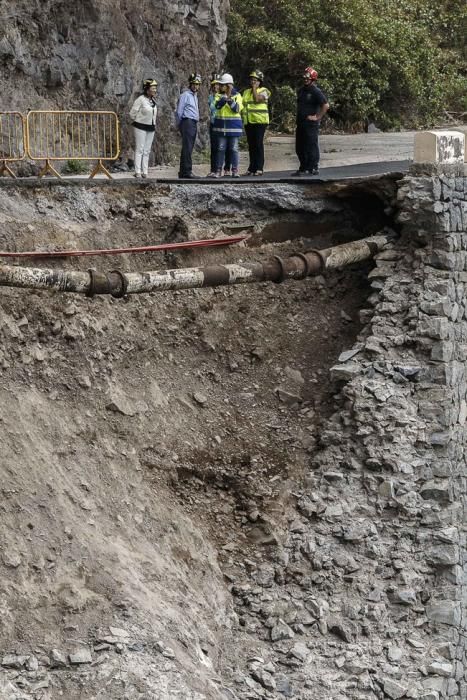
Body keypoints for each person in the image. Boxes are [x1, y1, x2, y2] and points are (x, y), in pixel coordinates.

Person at [293, 67, 329, 176]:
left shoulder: (315, 91)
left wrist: (317, 117)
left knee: (311, 145)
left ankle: (313, 167)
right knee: (300, 146)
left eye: (308, 78)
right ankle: (303, 167)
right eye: (304, 78)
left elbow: (326, 105)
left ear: (313, 79)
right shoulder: (301, 91)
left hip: (311, 124)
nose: (305, 80)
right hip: (301, 123)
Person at [210, 73, 243, 178]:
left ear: (229, 85)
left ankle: (235, 170)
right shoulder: (218, 96)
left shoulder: (237, 95)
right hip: (221, 128)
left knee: (234, 149)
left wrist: (229, 99)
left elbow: (237, 109)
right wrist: (224, 99)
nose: (220, 86)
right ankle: (218, 170)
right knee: (220, 148)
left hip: (233, 128)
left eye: (223, 85)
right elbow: (217, 106)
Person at [241, 70, 271, 176]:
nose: (253, 82)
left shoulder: (265, 91)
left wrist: (254, 89)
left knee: (258, 144)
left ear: (260, 82)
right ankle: (251, 168)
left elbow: (257, 99)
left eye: (255, 80)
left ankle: (259, 168)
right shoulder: (245, 92)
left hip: (259, 121)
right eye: (251, 80)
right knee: (251, 145)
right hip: (249, 121)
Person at [129, 79, 158, 178]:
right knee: (140, 149)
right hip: (140, 126)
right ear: (147, 89)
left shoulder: (153, 100)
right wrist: (138, 120)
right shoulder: (140, 99)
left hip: (151, 127)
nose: (155, 90)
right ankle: (138, 171)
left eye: (155, 88)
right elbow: (132, 113)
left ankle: (145, 171)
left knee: (147, 150)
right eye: (152, 88)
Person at [175, 73, 202, 179]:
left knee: (188, 147)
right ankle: (187, 171)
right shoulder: (185, 95)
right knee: (187, 147)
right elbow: (179, 111)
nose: (196, 86)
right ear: (190, 84)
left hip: (193, 122)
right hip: (187, 122)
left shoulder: (195, 96)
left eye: (198, 84)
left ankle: (183, 172)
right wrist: (180, 124)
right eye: (194, 84)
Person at [207, 74, 221, 177]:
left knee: (221, 147)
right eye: (214, 85)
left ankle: (220, 169)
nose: (215, 87)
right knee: (214, 147)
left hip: (221, 123)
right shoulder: (210, 97)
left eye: (217, 85)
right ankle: (213, 169)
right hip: (213, 123)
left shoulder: (223, 96)